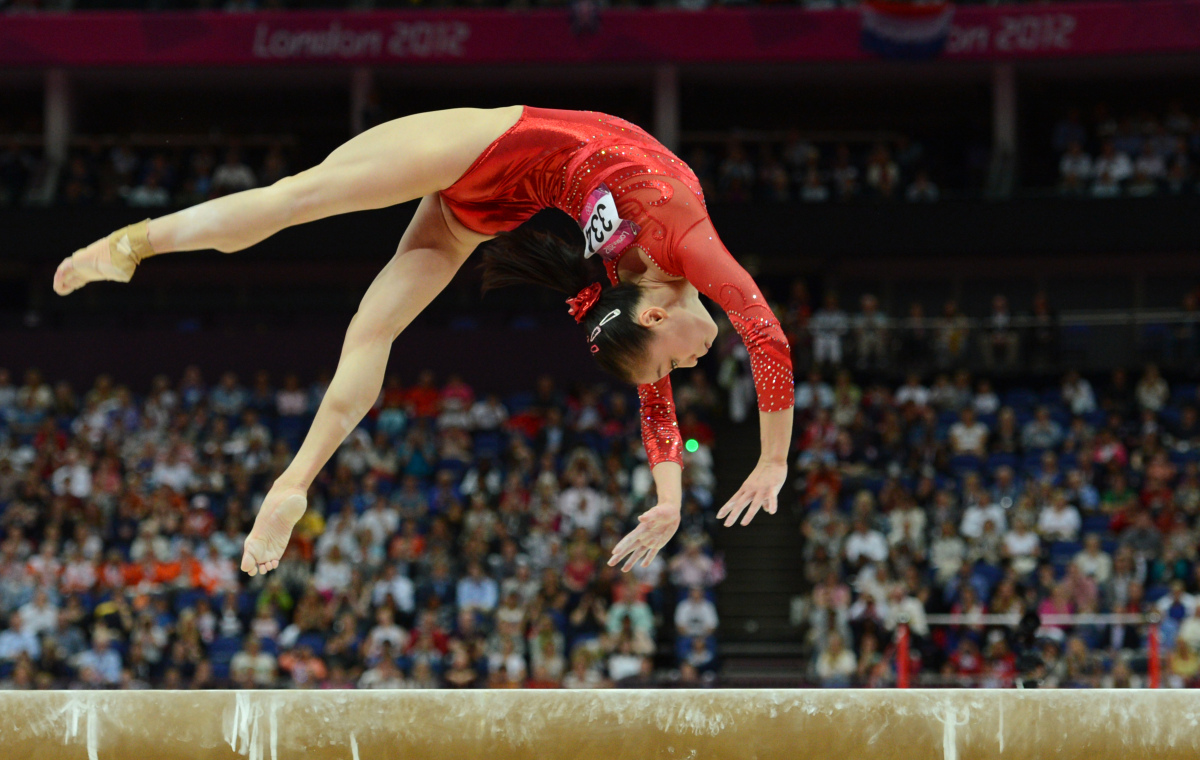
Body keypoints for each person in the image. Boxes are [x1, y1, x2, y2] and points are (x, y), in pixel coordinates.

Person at [56, 105, 793, 576]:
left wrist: (669, 502)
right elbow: (767, 338)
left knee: (367, 324)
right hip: (477, 145)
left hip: (494, 192)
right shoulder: (684, 240)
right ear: (656, 318)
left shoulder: (636, 293)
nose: (696, 361)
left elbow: (655, 402)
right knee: (297, 203)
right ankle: (136, 242)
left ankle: (295, 480)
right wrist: (772, 459)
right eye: (683, 360)